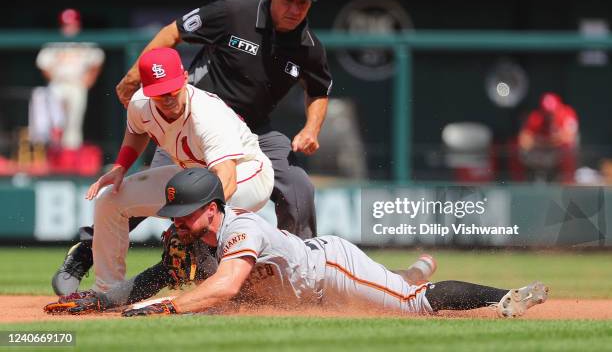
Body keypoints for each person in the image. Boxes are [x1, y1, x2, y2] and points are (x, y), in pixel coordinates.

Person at [52, 0, 332, 293]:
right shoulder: (233, 13)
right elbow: (174, 31)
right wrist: (135, 74)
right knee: (155, 192)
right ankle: (84, 252)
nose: (295, 8)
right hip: (191, 122)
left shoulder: (310, 48)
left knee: (299, 187)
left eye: (303, 2)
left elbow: (319, 91)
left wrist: (311, 128)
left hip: (253, 130)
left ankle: (308, 273)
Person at [44, 168, 548, 318]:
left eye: (186, 213)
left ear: (214, 208)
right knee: (396, 288)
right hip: (309, 293)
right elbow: (160, 277)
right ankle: (409, 272)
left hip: (328, 269)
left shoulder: (242, 227)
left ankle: (501, 297)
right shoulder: (189, 240)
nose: (176, 222)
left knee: (411, 306)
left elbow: (224, 286)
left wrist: (170, 308)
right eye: (173, 214)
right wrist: (106, 301)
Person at [52, 47, 274, 294]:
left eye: (172, 90)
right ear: (147, 91)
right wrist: (120, 167)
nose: (167, 98)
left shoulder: (208, 115)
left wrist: (188, 221)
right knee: (110, 200)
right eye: (159, 93)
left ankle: (229, 278)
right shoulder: (140, 104)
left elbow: (227, 179)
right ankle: (107, 289)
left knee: (207, 218)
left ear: (186, 78)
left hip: (248, 174)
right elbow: (136, 132)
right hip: (192, 175)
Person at [32, 8, 105, 151]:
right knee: (54, 123)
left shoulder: (85, 43)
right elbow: (43, 63)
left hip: (77, 84)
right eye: (66, 24)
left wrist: (90, 79)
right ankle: (53, 154)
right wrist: (54, 79)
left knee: (74, 122)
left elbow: (97, 60)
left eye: (72, 24)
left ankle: (70, 157)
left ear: (78, 25)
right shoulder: (54, 43)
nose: (69, 27)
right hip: (58, 84)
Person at [518, 92, 579, 183]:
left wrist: (540, 141)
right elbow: (523, 140)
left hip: (558, 152)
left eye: (552, 112)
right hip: (542, 152)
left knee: (568, 147)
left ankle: (567, 181)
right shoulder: (536, 117)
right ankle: (522, 182)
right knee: (518, 149)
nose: (549, 115)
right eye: (546, 112)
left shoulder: (567, 113)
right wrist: (551, 141)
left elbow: (569, 138)